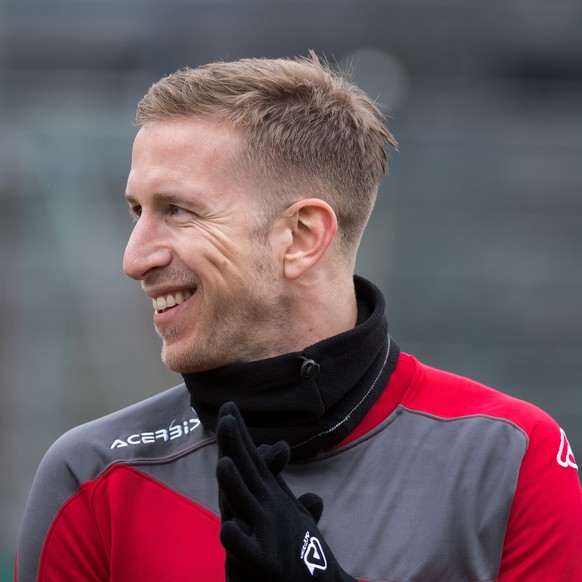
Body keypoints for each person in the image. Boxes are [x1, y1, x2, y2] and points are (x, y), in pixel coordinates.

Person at [15, 53, 582, 581]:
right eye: (138, 211)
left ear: (302, 237)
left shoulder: (509, 458)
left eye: (178, 211)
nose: (134, 258)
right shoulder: (92, 478)